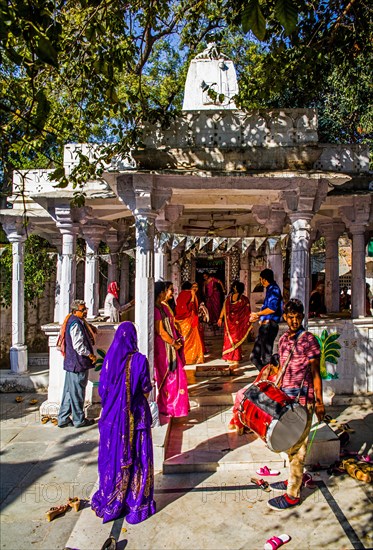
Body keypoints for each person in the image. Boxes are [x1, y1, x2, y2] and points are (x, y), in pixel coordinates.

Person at [91, 322, 156, 524]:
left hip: (113, 420)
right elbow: (145, 387)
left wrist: (118, 405)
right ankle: (136, 503)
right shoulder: (139, 361)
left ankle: (113, 498)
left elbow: (103, 391)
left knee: (116, 456)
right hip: (137, 417)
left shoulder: (110, 361)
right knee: (139, 457)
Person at [267, 298, 325, 511]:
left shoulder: (309, 340)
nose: (293, 321)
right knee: (289, 443)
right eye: (290, 317)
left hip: (304, 400)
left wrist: (319, 402)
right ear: (285, 317)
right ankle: (293, 477)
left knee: (299, 447)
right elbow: (282, 368)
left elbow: (315, 373)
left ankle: (293, 493)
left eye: (297, 317)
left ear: (302, 317)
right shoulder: (283, 340)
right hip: (286, 400)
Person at [57, 300, 96, 428]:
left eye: (85, 309)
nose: (85, 312)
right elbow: (78, 345)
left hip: (71, 363)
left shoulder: (73, 321)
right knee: (78, 392)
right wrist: (90, 355)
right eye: (82, 310)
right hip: (77, 363)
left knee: (69, 392)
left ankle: (63, 418)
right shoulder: (75, 324)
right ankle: (79, 420)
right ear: (75, 311)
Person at [154, 281, 189, 418]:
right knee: (168, 377)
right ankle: (167, 406)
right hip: (164, 349)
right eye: (168, 290)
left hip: (172, 346)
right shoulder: (156, 310)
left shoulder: (164, 307)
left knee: (178, 377)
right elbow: (161, 331)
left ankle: (176, 407)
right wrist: (174, 343)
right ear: (161, 292)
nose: (170, 293)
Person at [249, 269, 283, 371]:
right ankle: (265, 374)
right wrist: (258, 316)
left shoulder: (274, 289)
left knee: (266, 357)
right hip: (264, 326)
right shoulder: (269, 289)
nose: (260, 281)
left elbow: (272, 308)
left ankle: (269, 376)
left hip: (269, 326)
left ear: (264, 279)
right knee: (254, 357)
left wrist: (258, 314)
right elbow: (267, 308)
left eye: (261, 279)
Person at [217, 281, 252, 370]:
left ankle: (234, 358)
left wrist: (220, 318)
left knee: (235, 340)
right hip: (230, 323)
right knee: (232, 340)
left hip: (235, 323)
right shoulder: (231, 298)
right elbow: (224, 308)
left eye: (234, 286)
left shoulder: (243, 300)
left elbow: (246, 313)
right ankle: (230, 357)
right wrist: (220, 318)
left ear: (235, 288)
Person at [175, 281, 205, 365]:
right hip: (190, 319)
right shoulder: (191, 294)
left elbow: (179, 306)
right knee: (192, 339)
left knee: (183, 339)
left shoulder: (180, 294)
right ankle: (192, 358)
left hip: (180, 320)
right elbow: (193, 306)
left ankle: (183, 357)